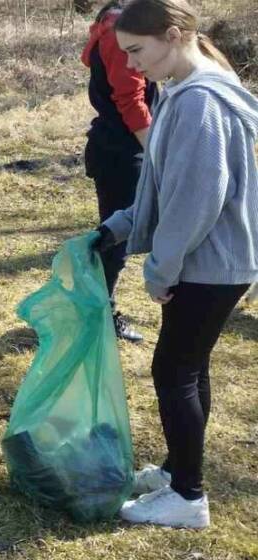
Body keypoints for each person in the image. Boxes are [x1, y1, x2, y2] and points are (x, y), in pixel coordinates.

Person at [92, 0, 258, 529]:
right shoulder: (179, 92)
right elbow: (161, 184)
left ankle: (187, 496)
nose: (133, 66)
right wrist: (117, 225)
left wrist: (160, 270)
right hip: (209, 260)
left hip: (212, 263)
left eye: (138, 51)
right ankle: (175, 470)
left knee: (174, 370)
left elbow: (196, 200)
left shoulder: (199, 102)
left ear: (172, 35)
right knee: (188, 365)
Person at [82, 0, 158, 342]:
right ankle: (101, 316)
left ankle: (97, 310)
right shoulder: (118, 31)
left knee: (116, 239)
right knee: (115, 240)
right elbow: (130, 100)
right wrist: (158, 152)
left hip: (119, 146)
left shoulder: (117, 24)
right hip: (121, 152)